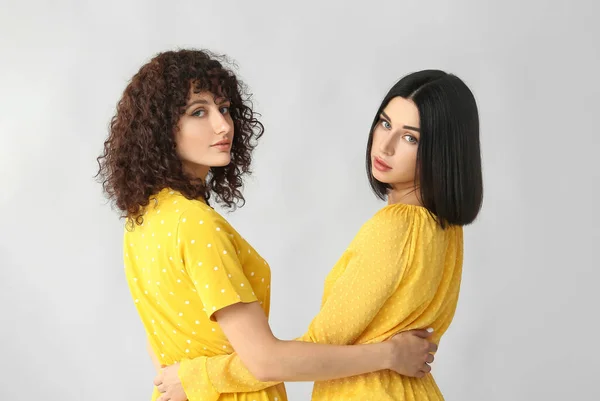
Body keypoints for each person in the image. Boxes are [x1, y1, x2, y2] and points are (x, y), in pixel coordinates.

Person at [97, 49, 439, 401]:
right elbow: (265, 361)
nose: (223, 125)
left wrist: (193, 378)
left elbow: (161, 350)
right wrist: (389, 355)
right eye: (199, 112)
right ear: (160, 128)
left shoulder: (142, 218)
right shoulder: (194, 223)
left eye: (224, 109)